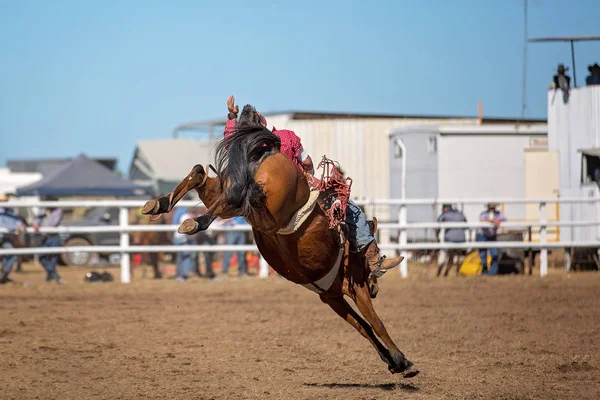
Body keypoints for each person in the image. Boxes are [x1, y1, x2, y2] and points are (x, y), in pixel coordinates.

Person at [224, 96, 403, 281]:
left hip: (266, 205)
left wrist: (231, 117)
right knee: (349, 208)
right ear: (262, 119)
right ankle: (374, 260)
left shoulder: (243, 147)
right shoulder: (286, 137)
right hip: (303, 192)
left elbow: (229, 141)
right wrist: (309, 177)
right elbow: (307, 162)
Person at [33, 197, 64, 283]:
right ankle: (55, 275)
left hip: (53, 236)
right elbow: (36, 219)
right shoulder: (42, 211)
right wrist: (35, 224)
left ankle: (50, 276)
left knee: (53, 257)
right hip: (43, 237)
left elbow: (53, 224)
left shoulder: (58, 212)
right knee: (42, 257)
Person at [435, 204, 467, 277]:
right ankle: (449, 273)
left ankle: (438, 274)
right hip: (461, 239)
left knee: (444, 256)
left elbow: (437, 224)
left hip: (449, 239)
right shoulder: (460, 214)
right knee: (455, 257)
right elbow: (466, 224)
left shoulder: (445, 214)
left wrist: (437, 236)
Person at [0, 194, 25, 284]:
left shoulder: (11, 211)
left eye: (4, 201)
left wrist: (19, 226)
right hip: (5, 236)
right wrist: (15, 227)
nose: (3, 203)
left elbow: (18, 223)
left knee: (11, 254)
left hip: (6, 237)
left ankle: (4, 275)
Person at [476, 203, 507, 275]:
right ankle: (484, 272)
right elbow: (482, 220)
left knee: (494, 253)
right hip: (482, 235)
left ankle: (492, 272)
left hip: (491, 236)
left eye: (493, 207)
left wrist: (497, 220)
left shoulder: (498, 214)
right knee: (483, 255)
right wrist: (493, 221)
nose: (492, 209)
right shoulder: (484, 214)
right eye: (491, 207)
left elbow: (505, 219)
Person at [173, 207, 198, 282]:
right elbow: (185, 231)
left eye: (194, 212)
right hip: (181, 238)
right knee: (182, 256)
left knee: (190, 256)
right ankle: (181, 274)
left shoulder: (197, 217)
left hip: (190, 239)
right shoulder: (184, 218)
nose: (193, 214)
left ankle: (186, 274)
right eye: (191, 213)